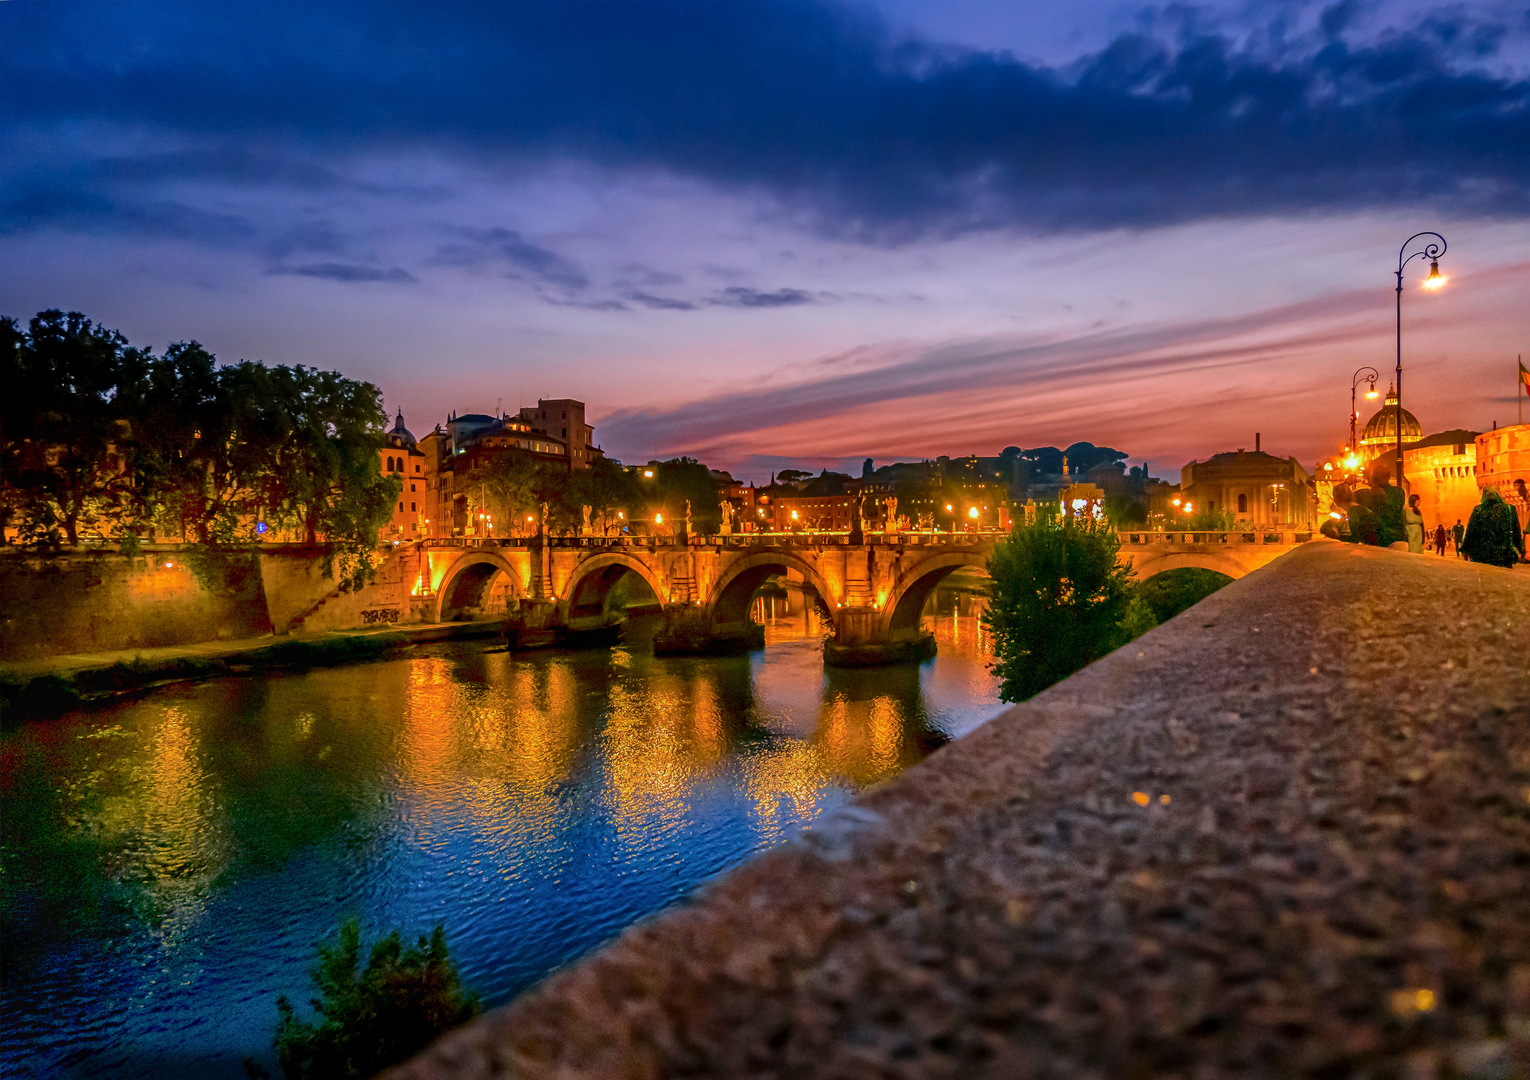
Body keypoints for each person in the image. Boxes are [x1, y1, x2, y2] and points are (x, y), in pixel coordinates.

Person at [1461, 488, 1526, 568]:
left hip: (1483, 554)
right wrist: (1521, 550)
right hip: (1504, 554)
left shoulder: (1478, 510)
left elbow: (1471, 532)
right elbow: (1516, 532)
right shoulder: (1509, 509)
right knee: (1503, 577)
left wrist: (1466, 550)